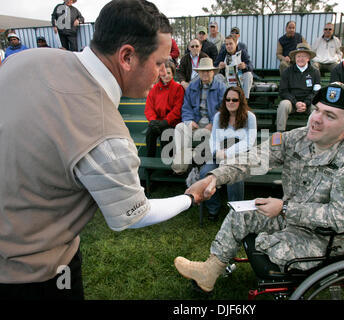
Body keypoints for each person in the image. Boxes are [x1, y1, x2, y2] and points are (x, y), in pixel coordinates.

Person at [0, 0, 203, 300]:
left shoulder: (24, 60)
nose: (162, 71)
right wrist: (189, 197)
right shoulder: (106, 136)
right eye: (159, 62)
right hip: (38, 273)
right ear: (127, 57)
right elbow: (136, 213)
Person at [174, 83, 344, 293]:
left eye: (330, 115)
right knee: (240, 214)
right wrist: (214, 177)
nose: (316, 119)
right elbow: (255, 157)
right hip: (288, 218)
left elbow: (343, 218)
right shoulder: (297, 138)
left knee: (268, 246)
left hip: (323, 238)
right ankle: (209, 272)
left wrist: (285, 208)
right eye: (317, 109)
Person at [200, 87, 257, 220]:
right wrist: (216, 152)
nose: (231, 102)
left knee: (234, 174)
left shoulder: (250, 117)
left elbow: (249, 141)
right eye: (228, 99)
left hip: (239, 155)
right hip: (219, 154)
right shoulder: (219, 116)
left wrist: (228, 153)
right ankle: (213, 209)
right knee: (205, 173)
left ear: (241, 101)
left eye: (235, 100)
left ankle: (235, 211)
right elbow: (213, 138)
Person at [171, 57, 227, 175]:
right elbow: (186, 107)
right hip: (196, 122)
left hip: (213, 125)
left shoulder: (221, 87)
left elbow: (224, 110)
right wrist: (189, 121)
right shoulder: (192, 87)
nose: (205, 73)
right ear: (199, 72)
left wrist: (213, 123)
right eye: (202, 71)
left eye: (208, 71)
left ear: (213, 72)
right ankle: (181, 165)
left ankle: (193, 157)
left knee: (207, 135)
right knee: (180, 128)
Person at [276, 43, 321, 132]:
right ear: (295, 58)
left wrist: (306, 102)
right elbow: (283, 91)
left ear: (308, 58)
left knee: (317, 107)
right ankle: (280, 133)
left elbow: (316, 91)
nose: (301, 59)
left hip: (308, 102)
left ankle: (315, 133)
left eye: (304, 56)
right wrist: (295, 103)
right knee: (283, 105)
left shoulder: (315, 72)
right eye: (298, 56)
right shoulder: (287, 71)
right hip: (292, 102)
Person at [144, 60, 185, 158]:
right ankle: (150, 162)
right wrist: (153, 121)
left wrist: (166, 121)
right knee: (150, 132)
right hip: (157, 122)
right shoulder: (154, 89)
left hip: (170, 122)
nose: (166, 76)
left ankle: (168, 164)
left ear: (173, 73)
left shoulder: (178, 88)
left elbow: (178, 108)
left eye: (169, 73)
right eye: (163, 73)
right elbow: (149, 108)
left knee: (165, 135)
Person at [214, 35, 254, 99]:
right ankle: (224, 100)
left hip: (240, 79)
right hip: (227, 80)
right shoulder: (223, 53)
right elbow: (214, 66)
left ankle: (245, 99)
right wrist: (219, 66)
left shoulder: (242, 52)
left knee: (248, 75)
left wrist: (245, 66)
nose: (228, 46)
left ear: (235, 44)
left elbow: (251, 66)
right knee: (217, 77)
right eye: (226, 44)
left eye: (230, 44)